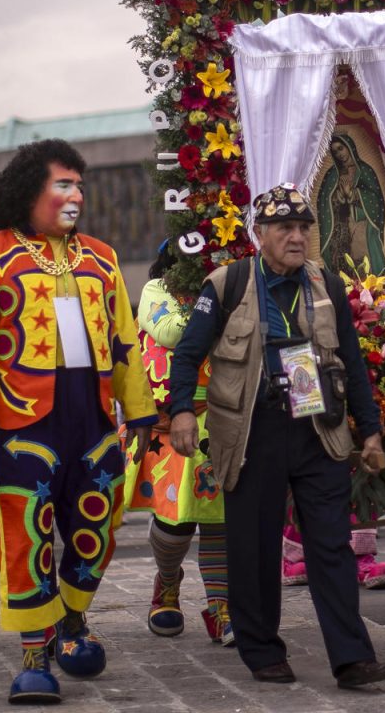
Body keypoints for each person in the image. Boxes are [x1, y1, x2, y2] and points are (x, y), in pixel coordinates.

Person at [0, 139, 157, 704]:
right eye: (63, 184)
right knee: (25, 534)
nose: (76, 195)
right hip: (21, 424)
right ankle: (36, 655)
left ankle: (72, 618)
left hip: (93, 420)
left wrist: (139, 411)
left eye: (80, 185)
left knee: (100, 525)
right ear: (29, 189)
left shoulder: (102, 259)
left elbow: (126, 342)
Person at [166, 183, 385, 690]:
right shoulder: (227, 284)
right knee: (254, 545)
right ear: (260, 235)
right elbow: (186, 356)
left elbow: (353, 363)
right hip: (253, 430)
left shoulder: (326, 283)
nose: (297, 237)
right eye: (285, 228)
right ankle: (262, 649)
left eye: (303, 228)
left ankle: (352, 658)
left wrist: (371, 431)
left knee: (331, 545)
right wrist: (181, 412)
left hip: (318, 425)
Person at [125, 242, 235, 646]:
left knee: (218, 522)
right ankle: (167, 584)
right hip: (171, 425)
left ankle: (221, 607)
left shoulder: (230, 290)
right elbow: (170, 331)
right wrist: (213, 305)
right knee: (176, 525)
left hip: (220, 422)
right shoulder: (156, 292)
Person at [317, 133, 385, 275]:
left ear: (349, 147)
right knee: (342, 264)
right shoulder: (332, 175)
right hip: (340, 227)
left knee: (362, 262)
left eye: (341, 148)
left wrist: (353, 195)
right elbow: (324, 203)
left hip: (361, 225)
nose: (339, 154)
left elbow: (376, 201)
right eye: (335, 151)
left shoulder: (365, 171)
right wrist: (339, 197)